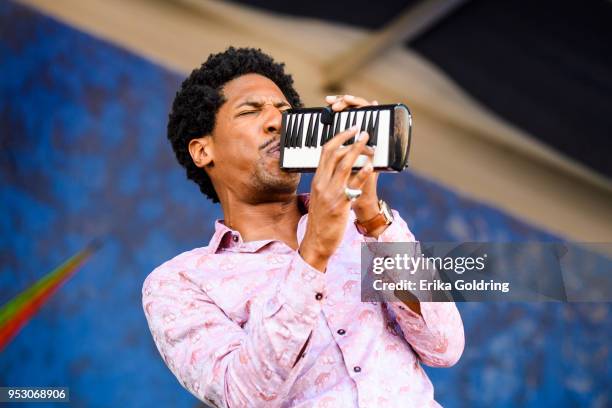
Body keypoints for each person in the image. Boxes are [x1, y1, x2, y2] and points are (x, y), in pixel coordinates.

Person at [142, 47, 464, 407]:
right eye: (250, 111)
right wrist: (314, 252)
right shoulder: (179, 282)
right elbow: (242, 396)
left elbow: (444, 345)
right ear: (203, 151)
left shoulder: (368, 227)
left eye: (284, 111)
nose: (276, 122)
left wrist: (371, 213)